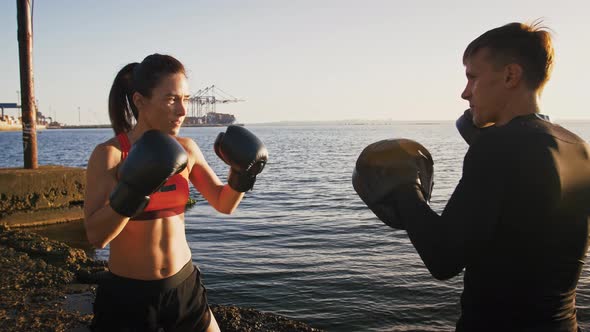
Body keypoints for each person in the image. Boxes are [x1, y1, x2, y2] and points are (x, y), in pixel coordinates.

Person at [353, 22, 590, 331]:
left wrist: (403, 188)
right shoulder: (579, 147)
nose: (465, 92)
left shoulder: (498, 148)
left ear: (510, 75)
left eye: (472, 77)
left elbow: (443, 258)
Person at [83, 53, 268, 332]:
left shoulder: (187, 149)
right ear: (139, 100)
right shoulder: (110, 155)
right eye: (172, 99)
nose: (182, 111)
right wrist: (134, 190)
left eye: (186, 99)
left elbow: (223, 203)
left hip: (183, 285)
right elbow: (96, 237)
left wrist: (242, 176)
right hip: (128, 297)